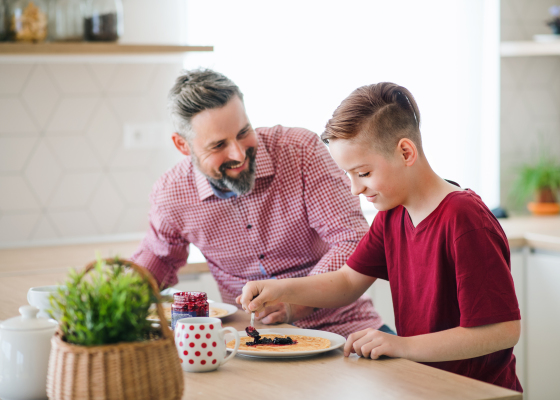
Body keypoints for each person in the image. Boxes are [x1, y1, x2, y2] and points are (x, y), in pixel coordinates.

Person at [239, 82, 522, 392]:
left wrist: (402, 346)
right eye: (348, 175)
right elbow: (347, 283)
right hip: (422, 386)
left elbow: (503, 330)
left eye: (363, 173)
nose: (355, 188)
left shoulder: (463, 218)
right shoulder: (391, 214)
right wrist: (278, 289)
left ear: (405, 151)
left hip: (474, 391)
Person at [131, 68, 387, 337]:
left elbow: (353, 240)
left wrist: (296, 301)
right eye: (218, 145)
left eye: (243, 132)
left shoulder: (301, 153)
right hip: (247, 342)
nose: (239, 153)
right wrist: (114, 296)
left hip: (345, 327)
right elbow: (159, 260)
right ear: (183, 146)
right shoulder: (172, 193)